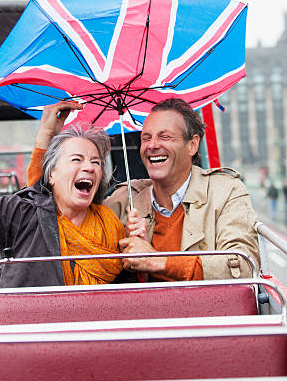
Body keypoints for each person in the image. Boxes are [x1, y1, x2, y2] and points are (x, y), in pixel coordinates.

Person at [27, 98, 260, 281]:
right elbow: (53, 218)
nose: (152, 146)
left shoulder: (226, 191)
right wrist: (45, 137)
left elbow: (244, 265)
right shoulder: (124, 199)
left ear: (192, 144)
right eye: (146, 138)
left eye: (165, 136)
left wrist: (157, 261)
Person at [0, 88, 126, 288]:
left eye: (96, 162)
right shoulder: (21, 213)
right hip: (26, 321)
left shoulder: (111, 224)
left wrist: (138, 251)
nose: (89, 167)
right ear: (51, 174)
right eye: (76, 159)